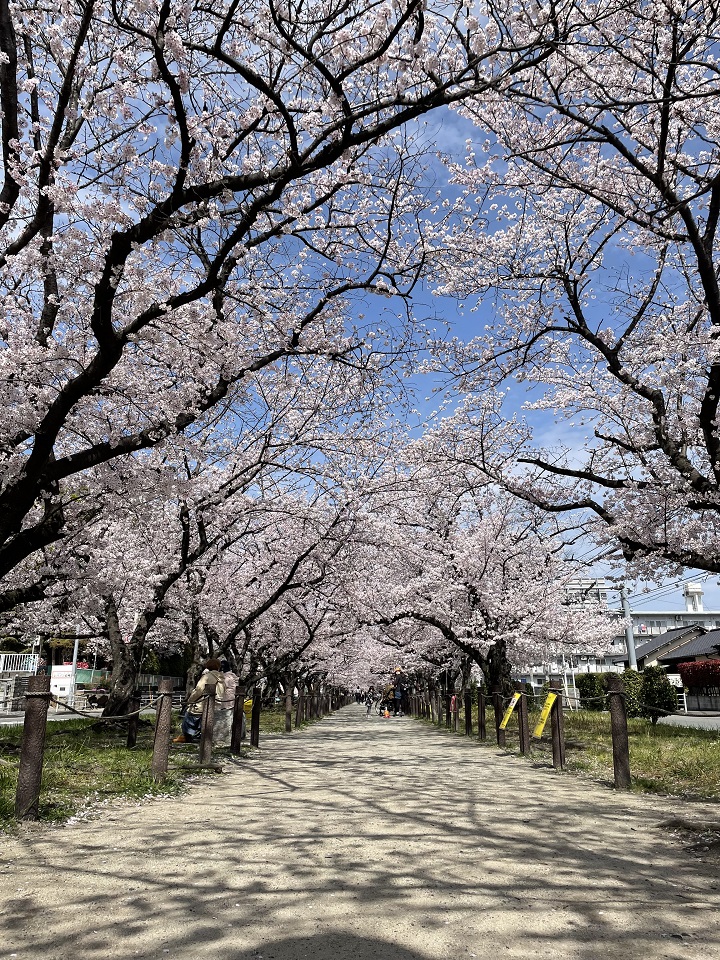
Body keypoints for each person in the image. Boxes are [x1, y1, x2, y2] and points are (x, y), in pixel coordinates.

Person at [174, 658, 225, 743]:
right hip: (215, 706)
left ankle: (188, 738)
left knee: (189, 717)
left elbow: (198, 690)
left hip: (202, 705)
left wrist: (190, 700)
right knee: (204, 723)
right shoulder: (222, 679)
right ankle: (201, 738)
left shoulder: (207, 677)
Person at [213, 659, 238, 746]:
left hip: (226, 699)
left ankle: (224, 737)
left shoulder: (224, 677)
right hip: (233, 698)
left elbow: (221, 687)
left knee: (225, 716)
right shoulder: (233, 676)